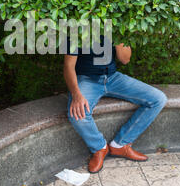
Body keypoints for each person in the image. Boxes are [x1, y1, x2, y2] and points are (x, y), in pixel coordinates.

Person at [63, 36, 167, 173]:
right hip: (87, 80)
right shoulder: (78, 28)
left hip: (113, 78)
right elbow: (68, 66)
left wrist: (117, 35)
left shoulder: (117, 26)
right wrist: (76, 94)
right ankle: (100, 148)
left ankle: (120, 145)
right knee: (77, 113)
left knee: (158, 98)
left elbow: (125, 59)